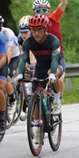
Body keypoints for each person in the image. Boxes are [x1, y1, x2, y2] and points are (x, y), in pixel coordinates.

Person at [13, 14, 64, 144]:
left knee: (52, 74)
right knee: (35, 96)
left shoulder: (53, 40)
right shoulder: (28, 42)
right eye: (33, 30)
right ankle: (36, 128)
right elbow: (23, 58)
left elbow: (54, 59)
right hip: (40, 66)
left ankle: (57, 101)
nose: (36, 33)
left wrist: (52, 74)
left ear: (45, 28)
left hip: (56, 63)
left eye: (39, 29)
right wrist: (19, 75)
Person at [32, 0, 68, 94]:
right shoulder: (33, 25)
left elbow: (63, 3)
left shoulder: (54, 18)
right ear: (34, 13)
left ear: (48, 11)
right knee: (36, 87)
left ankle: (57, 102)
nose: (41, 12)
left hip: (57, 56)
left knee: (55, 77)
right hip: (42, 57)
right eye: (38, 11)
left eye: (44, 10)